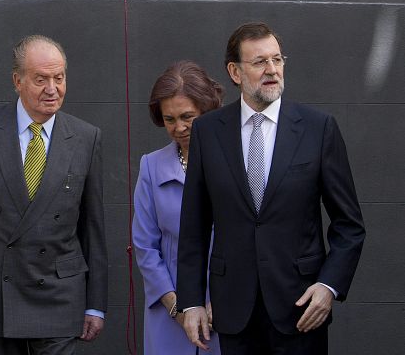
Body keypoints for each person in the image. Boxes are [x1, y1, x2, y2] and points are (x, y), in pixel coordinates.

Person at [177, 22, 365, 355]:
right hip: (233, 308)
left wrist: (328, 286)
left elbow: (349, 224)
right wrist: (190, 301)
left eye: (277, 60)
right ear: (235, 72)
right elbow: (194, 226)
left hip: (301, 306)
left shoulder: (318, 128)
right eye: (260, 62)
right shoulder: (207, 131)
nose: (272, 70)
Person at [0, 35, 108, 355]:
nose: (52, 88)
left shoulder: (85, 137)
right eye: (41, 79)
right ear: (18, 81)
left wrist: (96, 304)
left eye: (59, 77)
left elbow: (92, 228)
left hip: (59, 293)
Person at [133, 61, 223, 355]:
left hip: (227, 308)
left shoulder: (236, 163)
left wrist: (222, 299)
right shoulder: (151, 166)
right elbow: (145, 246)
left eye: (188, 117)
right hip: (168, 312)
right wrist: (177, 306)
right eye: (169, 119)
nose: (179, 128)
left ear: (208, 111)